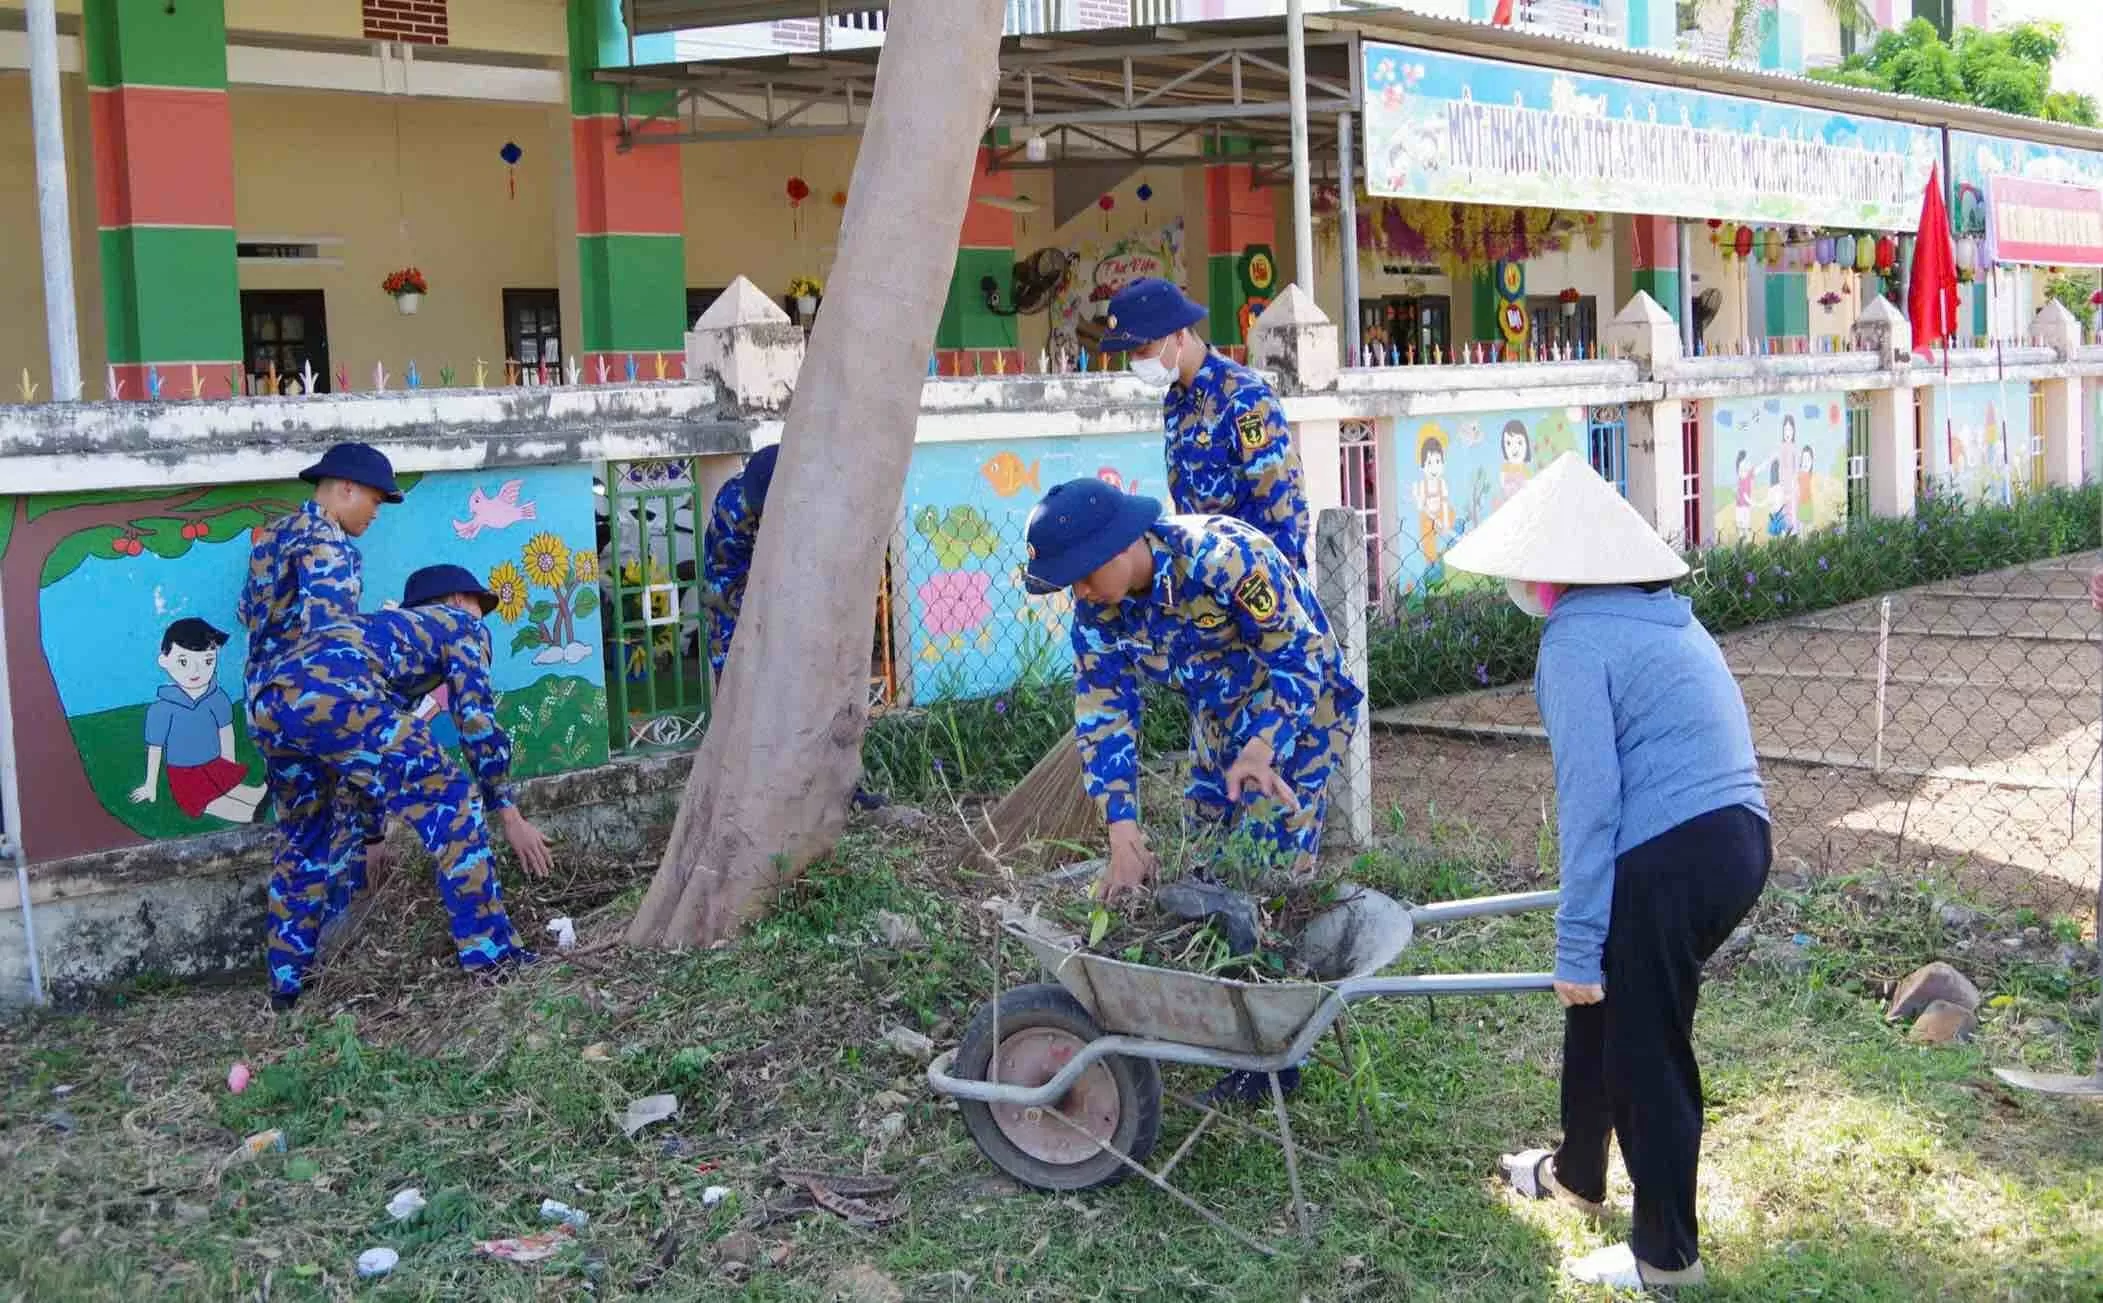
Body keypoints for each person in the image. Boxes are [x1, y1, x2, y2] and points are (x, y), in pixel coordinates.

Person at [1444, 453, 1769, 1290]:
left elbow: (1590, 801)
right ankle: (1577, 1174)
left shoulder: (1574, 639)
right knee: (1602, 1006)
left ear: (1552, 573)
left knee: (1641, 1047)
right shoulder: (1661, 616)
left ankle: (1665, 1258)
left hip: (1674, 849)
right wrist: (1587, 955)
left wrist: (1574, 938)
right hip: (1730, 836)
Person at [1024, 477, 1360, 896]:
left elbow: (1301, 658)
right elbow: (1104, 713)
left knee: (1267, 870)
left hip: (1298, 703)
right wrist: (1123, 835)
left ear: (1121, 543)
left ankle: (1281, 946)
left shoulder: (1223, 559)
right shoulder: (1099, 608)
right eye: (1070, 582)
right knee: (1205, 854)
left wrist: (1261, 748)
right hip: (1219, 707)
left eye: (1084, 574)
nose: (1081, 592)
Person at [251, 563, 551, 1009]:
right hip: (337, 693)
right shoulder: (461, 626)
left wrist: (373, 836)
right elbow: (475, 719)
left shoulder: (382, 635)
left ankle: (288, 986)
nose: (480, 616)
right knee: (451, 800)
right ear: (455, 602)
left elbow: (366, 755)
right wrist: (506, 810)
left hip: (271, 698)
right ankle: (492, 958)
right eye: (477, 604)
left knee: (304, 838)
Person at [239, 442, 402, 921]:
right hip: (316, 709)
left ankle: (289, 981)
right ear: (347, 487)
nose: (377, 512)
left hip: (267, 706)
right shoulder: (327, 544)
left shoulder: (274, 538)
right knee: (342, 835)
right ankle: (338, 963)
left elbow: (249, 616)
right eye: (375, 499)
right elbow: (330, 640)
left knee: (298, 843)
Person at [701, 444, 884, 810]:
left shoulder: (808, 501)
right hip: (735, 608)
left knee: (818, 700)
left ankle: (836, 791)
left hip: (791, 609)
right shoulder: (734, 510)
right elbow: (731, 588)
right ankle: (739, 797)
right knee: (740, 703)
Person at [1098, 278, 1309, 569]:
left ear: (1179, 335)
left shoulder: (1244, 397)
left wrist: (1278, 586)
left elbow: (1279, 500)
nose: (1136, 361)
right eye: (1131, 353)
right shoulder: (1176, 401)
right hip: (1206, 577)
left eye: (1143, 350)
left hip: (1256, 578)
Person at [133, 618, 267, 823]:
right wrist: (150, 785)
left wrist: (227, 766)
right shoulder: (161, 709)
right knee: (232, 809)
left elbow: (226, 730)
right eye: (184, 662)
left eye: (207, 661)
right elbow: (156, 748)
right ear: (164, 661)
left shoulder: (217, 697)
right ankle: (251, 813)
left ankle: (259, 798)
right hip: (185, 776)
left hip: (215, 766)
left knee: (251, 795)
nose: (196, 672)